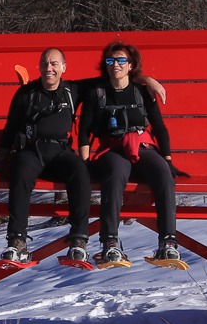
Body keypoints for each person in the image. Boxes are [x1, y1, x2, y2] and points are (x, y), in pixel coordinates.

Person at [78, 42, 181, 267]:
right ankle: (110, 242)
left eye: (121, 60)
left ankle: (168, 241)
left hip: (142, 145)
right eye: (111, 60)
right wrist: (84, 161)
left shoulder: (142, 92)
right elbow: (84, 130)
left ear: (131, 65)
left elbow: (159, 127)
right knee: (114, 174)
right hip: (112, 147)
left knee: (164, 175)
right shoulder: (97, 93)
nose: (116, 64)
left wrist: (168, 159)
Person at [0, 47, 91, 265]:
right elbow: (10, 128)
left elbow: (109, 79)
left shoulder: (72, 90)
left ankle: (79, 240)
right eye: (45, 64)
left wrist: (147, 80)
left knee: (79, 170)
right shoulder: (26, 93)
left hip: (60, 153)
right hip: (32, 152)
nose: (49, 68)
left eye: (54, 64)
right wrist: (2, 161)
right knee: (20, 170)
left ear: (64, 67)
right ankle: (16, 240)